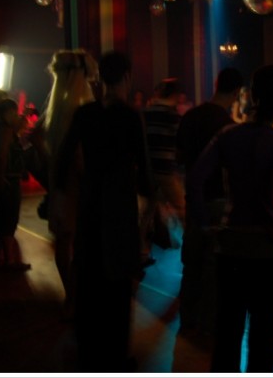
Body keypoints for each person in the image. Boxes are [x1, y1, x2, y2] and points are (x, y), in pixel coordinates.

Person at [187, 65, 273, 373]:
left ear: (252, 96)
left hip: (231, 243)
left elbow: (195, 179)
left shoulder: (228, 135)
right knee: (263, 337)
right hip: (265, 248)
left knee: (227, 332)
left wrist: (204, 223)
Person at [55, 51, 153, 372]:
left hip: (90, 205)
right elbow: (144, 170)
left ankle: (88, 354)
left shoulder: (85, 114)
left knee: (90, 281)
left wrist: (64, 195)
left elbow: (62, 160)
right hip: (120, 208)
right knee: (118, 287)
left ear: (100, 79)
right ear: (126, 77)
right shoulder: (130, 116)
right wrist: (151, 206)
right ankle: (115, 358)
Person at [176, 67, 244, 339]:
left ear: (216, 84)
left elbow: (179, 156)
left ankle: (187, 319)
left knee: (191, 263)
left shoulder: (190, 116)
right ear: (237, 92)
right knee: (213, 267)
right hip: (218, 199)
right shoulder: (229, 126)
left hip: (193, 198)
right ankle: (207, 326)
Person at [32, 49, 98, 318]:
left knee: (63, 241)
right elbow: (81, 157)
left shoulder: (56, 108)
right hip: (78, 186)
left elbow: (37, 138)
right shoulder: (80, 108)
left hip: (59, 183)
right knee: (81, 243)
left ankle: (71, 297)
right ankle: (77, 298)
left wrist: (52, 163)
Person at [141, 78, 185, 264]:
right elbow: (180, 142)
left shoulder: (146, 112)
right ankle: (191, 250)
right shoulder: (172, 115)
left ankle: (141, 252)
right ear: (174, 95)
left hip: (148, 170)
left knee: (148, 211)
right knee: (182, 207)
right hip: (165, 169)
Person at [0, 98, 30, 271]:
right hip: (9, 181)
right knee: (9, 219)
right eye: (14, 113)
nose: (16, 116)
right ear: (7, 114)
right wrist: (1, 177)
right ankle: (10, 261)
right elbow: (2, 155)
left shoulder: (3, 131)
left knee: (1, 219)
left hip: (7, 179)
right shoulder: (6, 132)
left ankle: (2, 257)